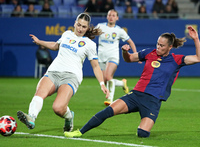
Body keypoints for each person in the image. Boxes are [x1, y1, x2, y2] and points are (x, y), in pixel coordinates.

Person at [64, 25, 200, 138]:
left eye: (162, 46)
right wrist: (125, 52)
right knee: (108, 111)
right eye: (157, 44)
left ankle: (142, 125)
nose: (158, 47)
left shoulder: (176, 60)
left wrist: (196, 39)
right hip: (136, 95)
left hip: (153, 101)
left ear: (170, 47)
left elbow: (198, 58)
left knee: (142, 134)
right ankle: (79, 132)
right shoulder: (149, 53)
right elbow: (129, 59)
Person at [17, 13, 109, 132]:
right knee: (40, 93)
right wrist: (40, 42)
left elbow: (96, 66)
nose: (80, 29)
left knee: (58, 108)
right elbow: (56, 46)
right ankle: (31, 118)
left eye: (84, 27)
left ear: (87, 28)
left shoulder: (90, 44)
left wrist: (102, 83)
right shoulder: (67, 34)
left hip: (71, 76)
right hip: (53, 71)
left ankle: (69, 116)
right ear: (75, 23)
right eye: (79, 25)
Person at [96, 9, 137, 106]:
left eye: (113, 15)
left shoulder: (119, 30)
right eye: (109, 15)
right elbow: (91, 35)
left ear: (117, 18)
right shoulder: (100, 26)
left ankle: (110, 99)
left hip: (113, 56)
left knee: (108, 77)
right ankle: (122, 84)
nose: (111, 17)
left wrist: (135, 54)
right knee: (105, 80)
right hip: (101, 56)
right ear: (107, 17)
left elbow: (130, 42)